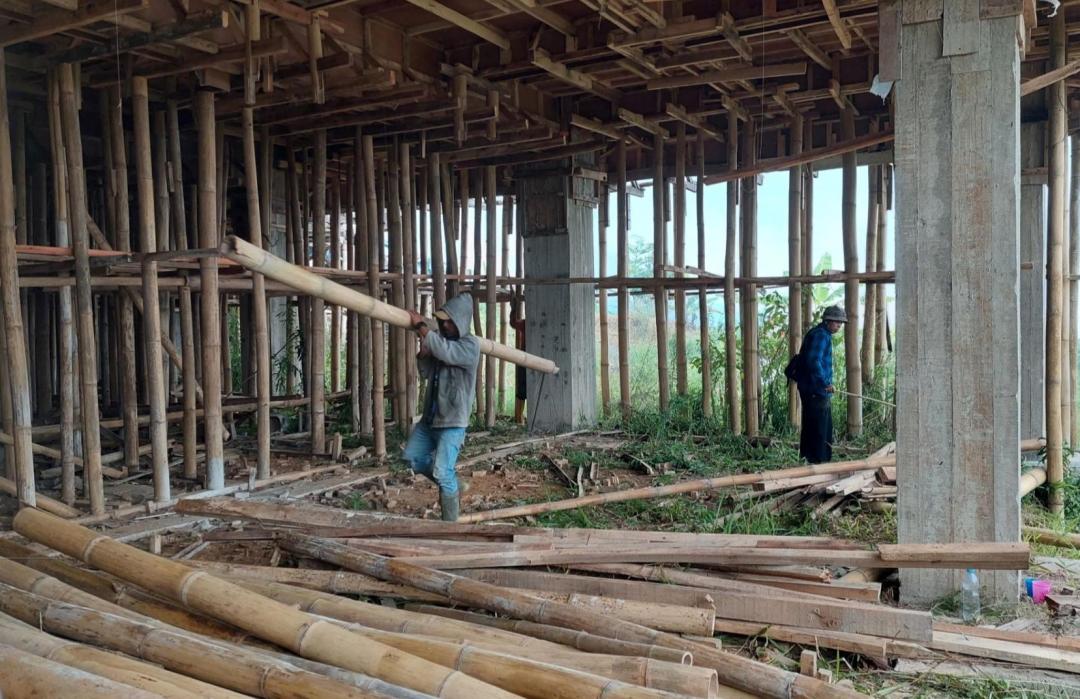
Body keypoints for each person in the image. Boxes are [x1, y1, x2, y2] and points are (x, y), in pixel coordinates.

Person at [405, 294, 481, 521]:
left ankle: (450, 527)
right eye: (442, 321)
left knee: (441, 471)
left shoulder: (470, 346)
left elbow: (447, 353)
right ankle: (453, 483)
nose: (445, 325)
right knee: (413, 458)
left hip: (453, 421)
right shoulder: (441, 342)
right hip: (431, 418)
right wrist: (423, 355)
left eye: (449, 321)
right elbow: (427, 372)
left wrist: (421, 327)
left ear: (461, 321)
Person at [795, 305, 846, 464]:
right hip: (816, 389)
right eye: (837, 322)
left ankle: (808, 458)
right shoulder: (821, 335)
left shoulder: (818, 333)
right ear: (828, 321)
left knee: (812, 423)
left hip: (811, 387)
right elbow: (814, 362)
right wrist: (825, 383)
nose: (839, 325)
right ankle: (819, 461)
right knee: (820, 427)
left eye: (841, 322)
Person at [509, 291, 527, 425]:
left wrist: (514, 308)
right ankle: (520, 418)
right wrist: (513, 308)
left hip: (525, 357)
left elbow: (513, 323)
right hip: (525, 358)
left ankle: (520, 418)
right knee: (522, 390)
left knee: (522, 390)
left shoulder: (526, 323)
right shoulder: (526, 323)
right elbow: (514, 323)